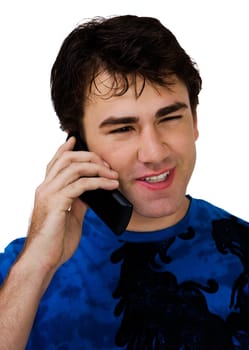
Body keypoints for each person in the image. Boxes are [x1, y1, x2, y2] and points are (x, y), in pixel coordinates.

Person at [0, 14, 249, 350]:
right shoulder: (21, 272)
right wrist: (36, 267)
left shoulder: (240, 247)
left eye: (171, 117)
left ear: (195, 122)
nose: (154, 152)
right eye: (122, 129)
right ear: (78, 144)